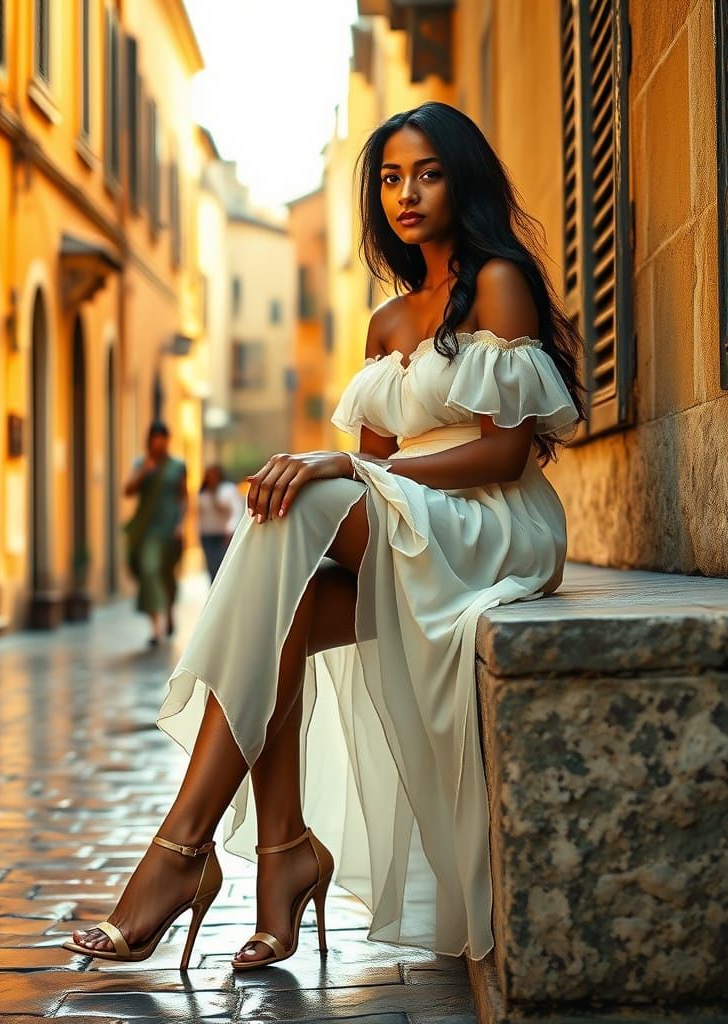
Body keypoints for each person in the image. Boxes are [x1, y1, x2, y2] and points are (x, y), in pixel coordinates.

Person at [65, 101, 587, 971]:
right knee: (286, 601)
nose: (406, 193)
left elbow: (503, 452)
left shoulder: (498, 282)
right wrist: (348, 471)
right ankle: (284, 858)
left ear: (462, 179)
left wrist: (346, 471)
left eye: (426, 173)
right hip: (415, 523)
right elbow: (366, 475)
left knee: (300, 502)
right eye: (389, 177)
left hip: (497, 521)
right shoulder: (387, 322)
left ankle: (184, 852)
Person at [122, 421, 188, 647]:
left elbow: (183, 498)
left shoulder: (178, 466)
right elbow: (128, 491)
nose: (158, 443)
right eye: (155, 438)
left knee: (167, 575)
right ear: (149, 440)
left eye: (162, 438)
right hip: (148, 530)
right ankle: (157, 628)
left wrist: (181, 524)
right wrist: (144, 471)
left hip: (170, 529)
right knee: (149, 571)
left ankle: (169, 611)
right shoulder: (141, 463)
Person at [197, 464, 242, 583]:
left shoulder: (228, 489)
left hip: (223, 534)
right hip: (207, 533)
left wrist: (231, 529)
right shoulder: (203, 492)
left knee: (222, 564)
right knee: (211, 566)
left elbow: (236, 510)